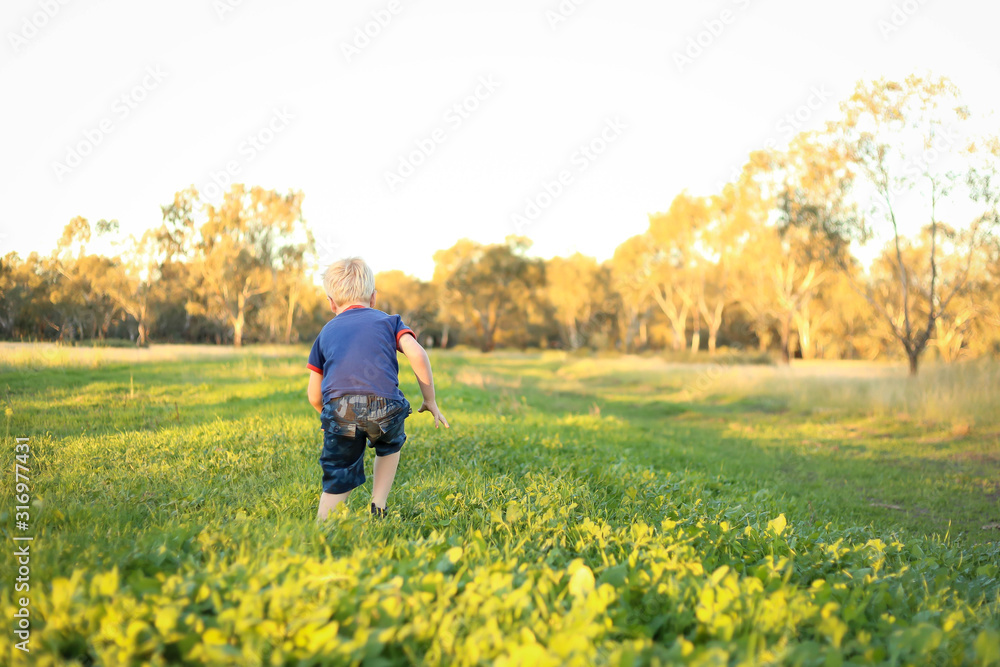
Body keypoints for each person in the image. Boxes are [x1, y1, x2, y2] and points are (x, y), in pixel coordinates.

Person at [307, 257, 449, 521]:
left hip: (340, 410)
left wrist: (331, 418)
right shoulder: (390, 321)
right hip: (387, 407)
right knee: (389, 445)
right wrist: (430, 399)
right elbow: (417, 354)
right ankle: (379, 503)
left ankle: (324, 524)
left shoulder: (325, 333)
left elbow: (314, 394)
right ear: (373, 298)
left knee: (339, 470)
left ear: (331, 302)